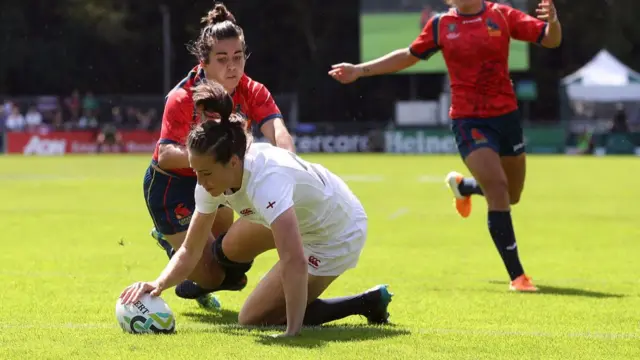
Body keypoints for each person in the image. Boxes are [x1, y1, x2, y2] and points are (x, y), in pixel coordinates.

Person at [122, 80, 393, 337]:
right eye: (196, 172)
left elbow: (294, 260)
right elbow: (190, 250)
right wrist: (157, 284)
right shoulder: (210, 181)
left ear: (232, 163)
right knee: (226, 250)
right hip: (297, 214)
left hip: (336, 231)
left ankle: (363, 303)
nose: (201, 183)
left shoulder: (267, 182)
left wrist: (292, 332)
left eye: (205, 173)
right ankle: (304, 304)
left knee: (252, 318)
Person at [329, 0, 562, 292]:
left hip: (507, 119)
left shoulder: (500, 14)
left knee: (512, 194)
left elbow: (551, 39)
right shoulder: (441, 25)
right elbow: (408, 55)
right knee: (499, 188)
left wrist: (553, 21)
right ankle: (518, 276)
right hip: (468, 121)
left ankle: (464, 187)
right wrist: (359, 70)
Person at [144, 2, 295, 309]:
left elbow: (277, 129)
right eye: (222, 59)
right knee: (215, 277)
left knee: (235, 268)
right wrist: (211, 158)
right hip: (173, 189)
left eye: (238, 57)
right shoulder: (183, 97)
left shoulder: (252, 90)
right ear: (204, 61)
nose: (232, 67)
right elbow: (165, 154)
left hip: (218, 183)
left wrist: (288, 162)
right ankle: (173, 244)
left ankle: (203, 268)